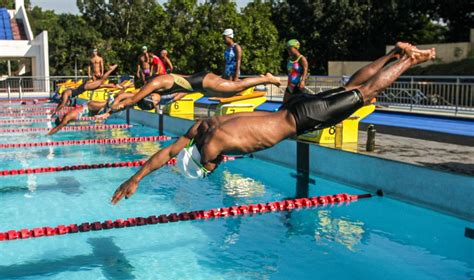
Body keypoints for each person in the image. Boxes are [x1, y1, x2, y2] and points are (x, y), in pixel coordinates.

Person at [111, 43, 436, 204]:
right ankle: (395, 53)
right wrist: (136, 177)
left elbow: (171, 155)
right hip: (293, 106)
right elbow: (167, 152)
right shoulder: (201, 128)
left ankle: (410, 58)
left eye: (212, 168)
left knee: (363, 93)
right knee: (351, 87)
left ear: (204, 161)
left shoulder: (211, 145)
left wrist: (140, 177)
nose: (218, 165)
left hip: (302, 118)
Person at [108, 72, 281, 113]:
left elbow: (131, 99)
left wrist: (113, 109)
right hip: (200, 86)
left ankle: (266, 78)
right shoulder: (156, 89)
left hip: (203, 81)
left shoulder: (155, 83)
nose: (157, 102)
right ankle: (262, 79)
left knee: (236, 87)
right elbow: (128, 97)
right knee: (229, 94)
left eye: (153, 101)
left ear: (150, 95)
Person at [52, 64, 119, 116]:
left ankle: (110, 69)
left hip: (84, 87)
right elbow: (60, 104)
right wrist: (56, 110)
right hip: (84, 87)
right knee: (100, 85)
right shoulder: (64, 94)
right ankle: (115, 85)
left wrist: (55, 111)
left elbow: (62, 104)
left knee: (101, 81)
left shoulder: (65, 94)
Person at [283, 39, 309, 104]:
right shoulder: (289, 59)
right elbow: (289, 73)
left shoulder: (302, 59)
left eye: (290, 48)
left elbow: (305, 69)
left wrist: (303, 81)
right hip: (290, 85)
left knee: (299, 105)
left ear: (295, 48)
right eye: (287, 49)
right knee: (285, 103)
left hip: (298, 86)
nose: (288, 51)